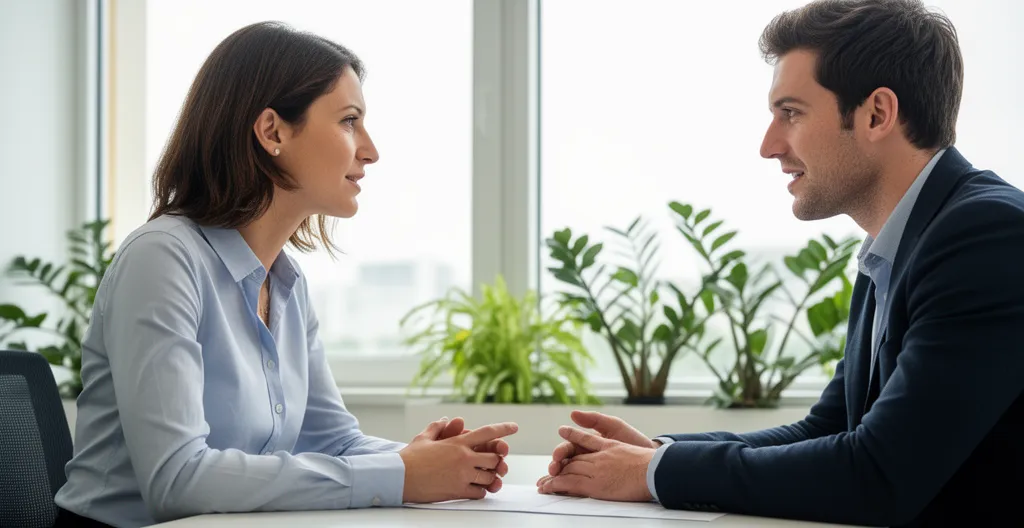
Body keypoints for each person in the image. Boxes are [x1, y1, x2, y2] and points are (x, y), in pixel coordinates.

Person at [537, 0, 1024, 526]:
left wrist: (654, 471)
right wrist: (656, 453)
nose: (768, 146)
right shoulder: (901, 245)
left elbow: (880, 473)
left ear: (877, 114)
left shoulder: (986, 237)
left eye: (790, 113)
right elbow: (830, 428)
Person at [53, 21, 518, 528]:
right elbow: (177, 480)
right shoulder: (162, 260)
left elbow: (333, 439)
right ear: (272, 131)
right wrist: (401, 475)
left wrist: (438, 461)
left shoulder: (286, 282)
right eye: (348, 121)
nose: (369, 149)